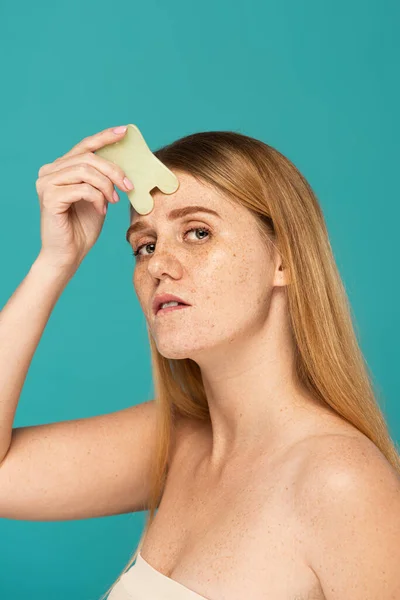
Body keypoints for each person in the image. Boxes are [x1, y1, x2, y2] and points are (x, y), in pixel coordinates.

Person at [0, 125, 399, 600]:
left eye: (197, 232)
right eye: (144, 245)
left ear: (284, 259)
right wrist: (54, 262)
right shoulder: (172, 442)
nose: (158, 265)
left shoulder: (341, 482)